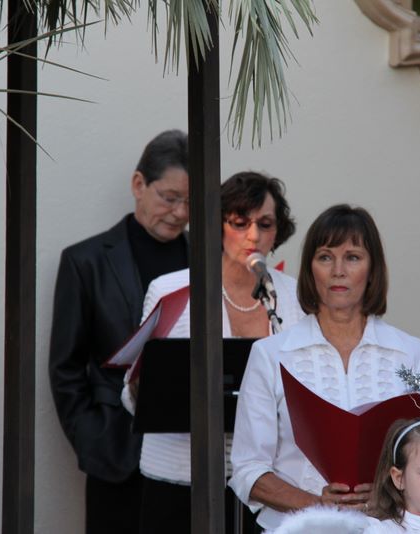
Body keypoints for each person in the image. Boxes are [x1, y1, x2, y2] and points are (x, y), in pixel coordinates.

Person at [230, 204, 420, 532]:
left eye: (353, 257)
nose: (338, 270)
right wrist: (316, 504)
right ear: (310, 269)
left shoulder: (412, 353)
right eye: (325, 257)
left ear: (373, 269)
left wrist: (390, 496)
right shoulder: (271, 355)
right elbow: (247, 469)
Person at [121, 171, 304, 533]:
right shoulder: (170, 290)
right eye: (239, 222)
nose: (253, 236)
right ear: (217, 225)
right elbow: (133, 390)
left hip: (267, 485)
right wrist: (143, 386)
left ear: (277, 231)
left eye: (265, 224)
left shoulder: (296, 298)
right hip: (178, 479)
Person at [48, 129, 189, 534]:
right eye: (170, 198)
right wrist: (91, 438)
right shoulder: (85, 261)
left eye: (191, 202)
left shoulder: (210, 261)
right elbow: (65, 367)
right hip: (116, 454)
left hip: (189, 455)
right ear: (138, 184)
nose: (180, 213)